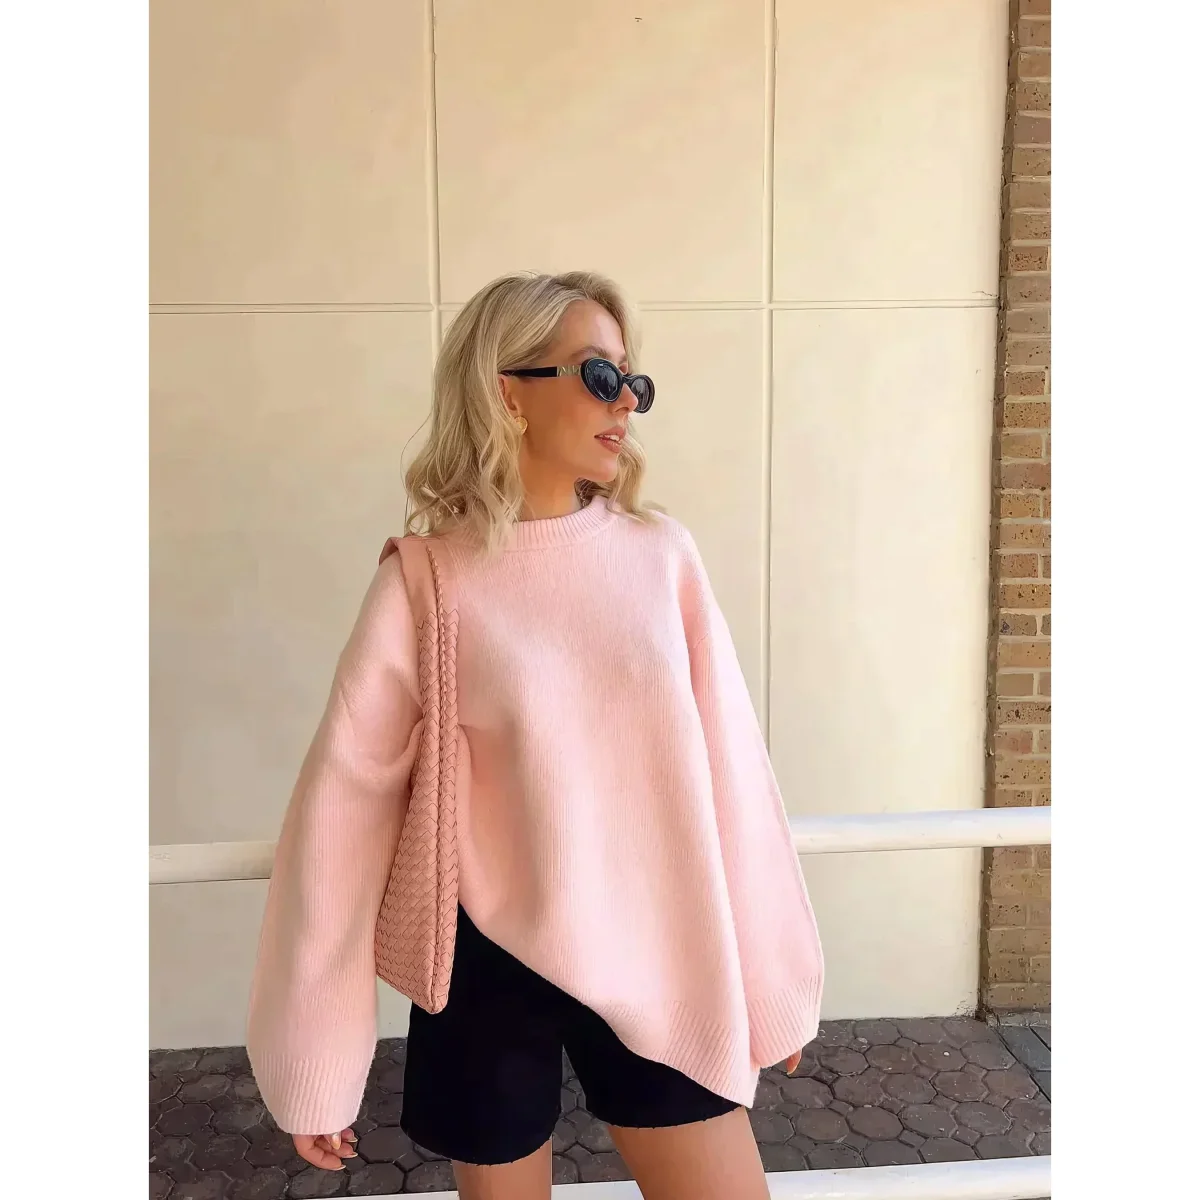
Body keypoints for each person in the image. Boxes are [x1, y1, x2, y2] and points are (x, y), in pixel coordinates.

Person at [246, 271, 824, 1200]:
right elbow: (342, 816)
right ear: (507, 392)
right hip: (489, 963)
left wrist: (771, 981)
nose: (625, 403)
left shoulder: (661, 558)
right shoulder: (427, 582)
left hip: (660, 948)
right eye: (599, 375)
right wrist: (316, 1060)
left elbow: (735, 777)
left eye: (633, 381)